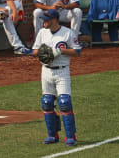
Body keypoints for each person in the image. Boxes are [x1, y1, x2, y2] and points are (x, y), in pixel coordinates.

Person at [32, 9, 81, 146]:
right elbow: (34, 51)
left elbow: (77, 51)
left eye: (46, 19)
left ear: (54, 20)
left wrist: (60, 51)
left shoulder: (67, 33)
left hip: (62, 72)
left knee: (64, 103)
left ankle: (71, 136)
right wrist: (44, 53)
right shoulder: (42, 33)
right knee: (47, 102)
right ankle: (52, 135)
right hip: (46, 71)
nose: (44, 22)